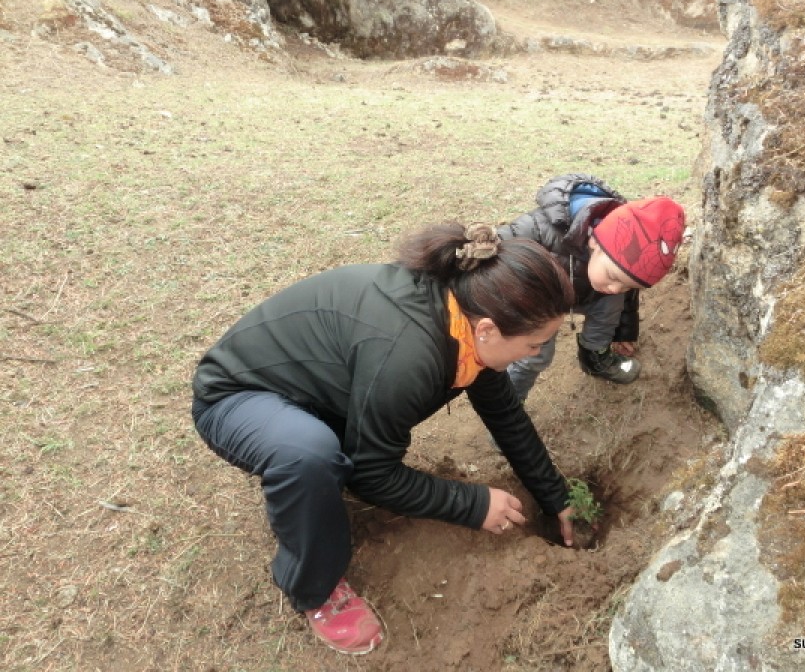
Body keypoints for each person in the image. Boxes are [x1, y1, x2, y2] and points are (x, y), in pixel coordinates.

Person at [190, 222, 578, 656]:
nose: (537, 355)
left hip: (312, 396)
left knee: (325, 451)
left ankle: (303, 461)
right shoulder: (409, 353)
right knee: (309, 456)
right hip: (237, 398)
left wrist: (555, 497)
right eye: (533, 344)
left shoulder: (460, 317)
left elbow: (504, 413)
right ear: (487, 329)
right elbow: (372, 475)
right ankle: (314, 590)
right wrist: (471, 505)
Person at [497, 173, 685, 401]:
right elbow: (499, 249)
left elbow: (626, 291)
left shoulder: (616, 274)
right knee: (535, 355)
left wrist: (623, 332)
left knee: (610, 306)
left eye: (628, 285)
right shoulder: (540, 229)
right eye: (613, 277)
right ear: (595, 241)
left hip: (587, 292)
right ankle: (510, 402)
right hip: (542, 299)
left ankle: (594, 358)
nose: (617, 288)